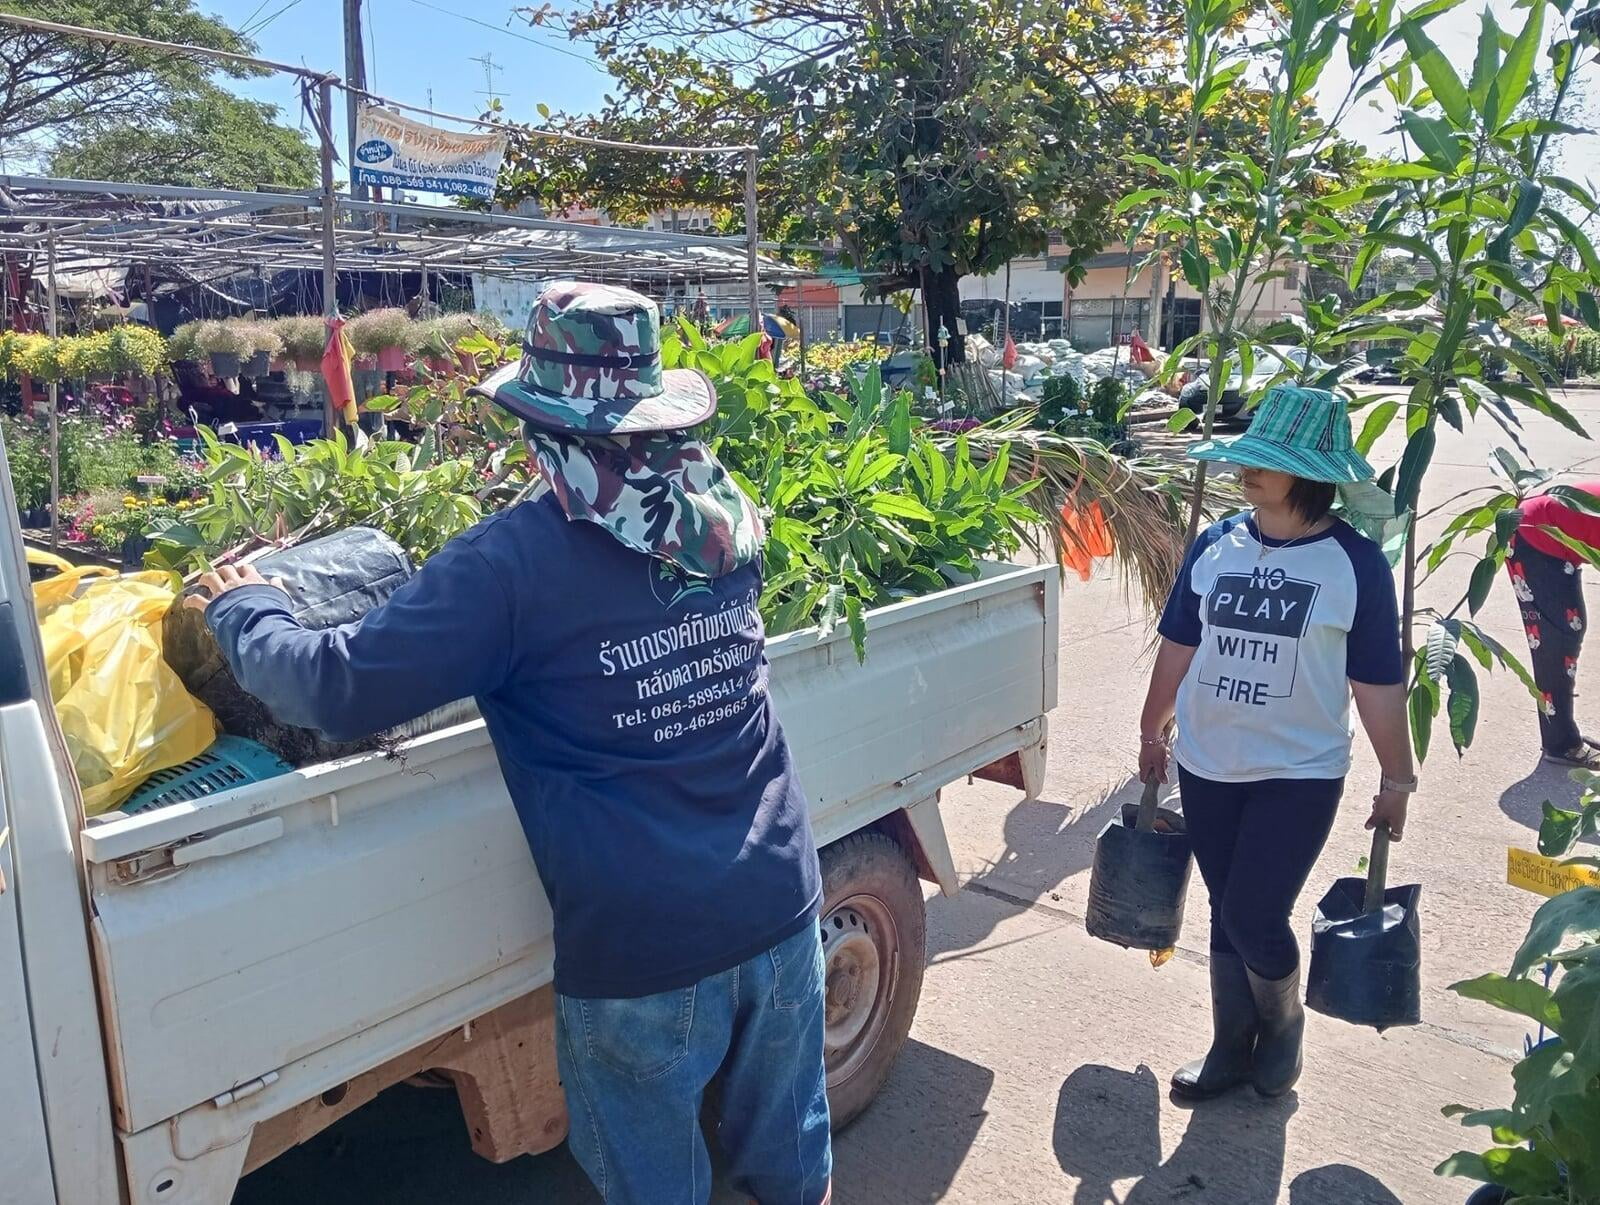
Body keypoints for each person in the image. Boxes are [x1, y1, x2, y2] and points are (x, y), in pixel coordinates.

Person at [187, 282, 832, 1205]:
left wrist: (245, 606)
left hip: (646, 952)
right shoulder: (725, 515)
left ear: (541, 424)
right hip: (780, 893)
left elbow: (333, 686)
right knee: (792, 1176)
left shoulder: (510, 566)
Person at [1137, 386, 1414, 1102]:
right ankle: (1231, 1043)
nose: (1247, 471)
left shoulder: (1353, 564)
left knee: (1253, 911)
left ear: (1311, 473)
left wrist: (1398, 778)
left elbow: (1378, 681)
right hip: (1206, 764)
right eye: (1248, 458)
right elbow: (1180, 641)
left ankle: (1282, 1024)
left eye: (1269, 461)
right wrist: (1151, 727)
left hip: (1299, 773)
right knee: (1226, 906)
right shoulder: (1217, 543)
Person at [1508, 481, 1600, 768]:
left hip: (1550, 532)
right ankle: (1560, 745)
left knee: (1567, 633)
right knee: (1556, 643)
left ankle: (1561, 735)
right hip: (1535, 536)